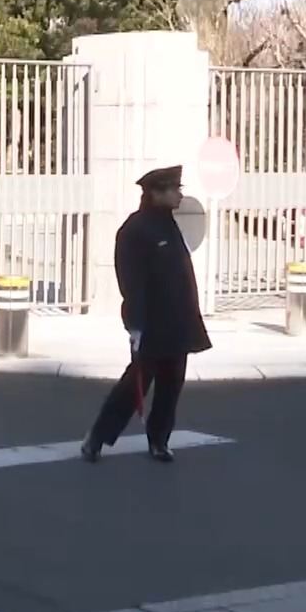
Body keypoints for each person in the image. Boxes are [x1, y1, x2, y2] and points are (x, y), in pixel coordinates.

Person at [82, 165, 212, 463]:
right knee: (134, 386)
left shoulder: (169, 225)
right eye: (174, 189)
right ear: (155, 193)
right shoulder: (136, 230)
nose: (179, 194)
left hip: (178, 321)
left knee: (172, 386)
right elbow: (132, 282)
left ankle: (159, 440)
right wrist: (135, 325)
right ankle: (97, 437)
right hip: (153, 323)